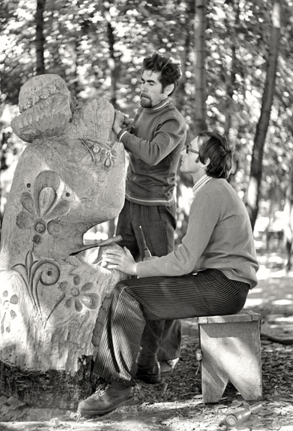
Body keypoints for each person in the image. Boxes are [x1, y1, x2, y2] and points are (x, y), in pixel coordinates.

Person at [77, 131, 260, 418]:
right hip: (222, 282)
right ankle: (142, 367)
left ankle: (117, 387)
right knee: (138, 289)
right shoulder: (213, 190)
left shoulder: (211, 192)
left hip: (224, 286)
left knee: (128, 293)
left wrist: (135, 267)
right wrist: (154, 267)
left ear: (205, 161)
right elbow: (192, 254)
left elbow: (186, 261)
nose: (183, 153)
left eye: (189, 150)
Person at [110, 52, 191, 381]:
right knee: (121, 276)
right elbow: (140, 138)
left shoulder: (174, 121)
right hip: (130, 204)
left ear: (168, 89)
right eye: (142, 80)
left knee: (161, 284)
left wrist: (123, 136)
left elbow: (154, 153)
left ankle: (155, 359)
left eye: (150, 83)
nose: (142, 87)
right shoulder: (146, 110)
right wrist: (128, 126)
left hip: (156, 209)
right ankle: (118, 355)